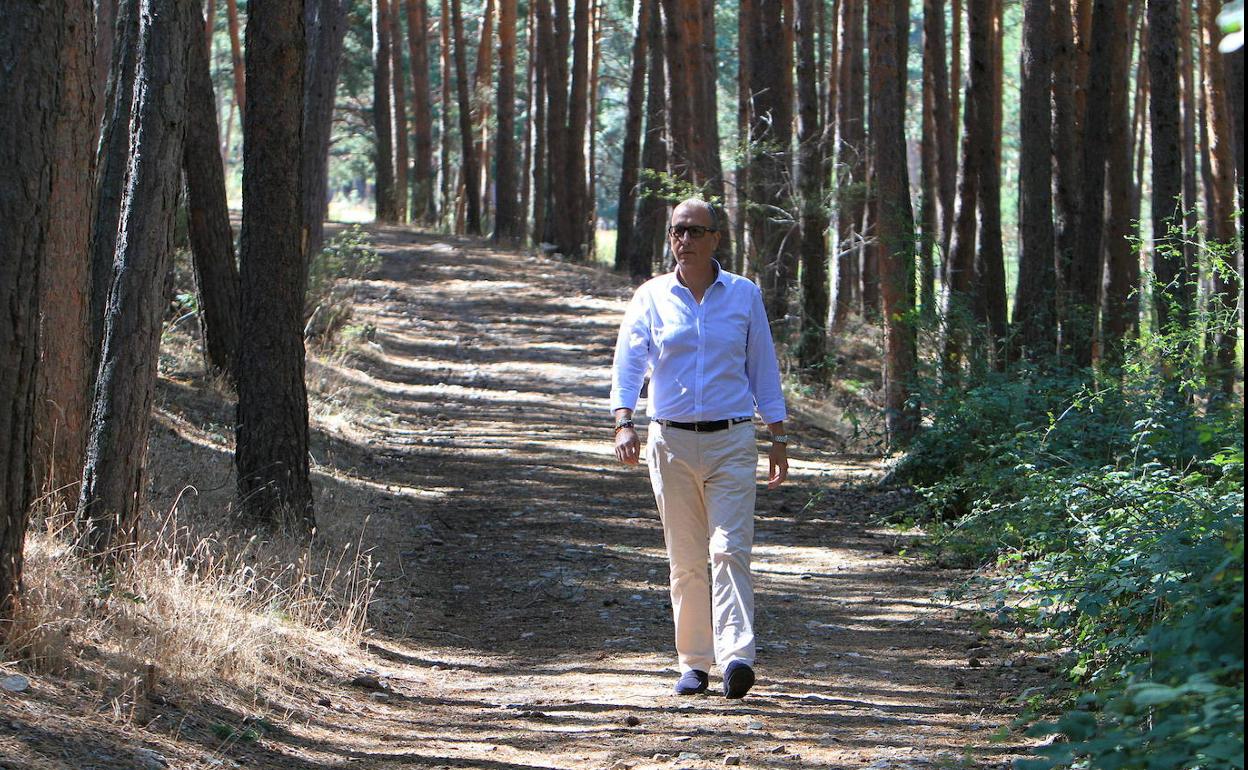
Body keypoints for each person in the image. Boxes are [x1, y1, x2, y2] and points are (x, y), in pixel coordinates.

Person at [609, 198, 788, 699]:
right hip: (671, 442)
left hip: (732, 439)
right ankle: (693, 664)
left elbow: (762, 369)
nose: (682, 241)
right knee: (686, 560)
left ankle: (736, 659)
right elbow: (628, 365)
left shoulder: (744, 295)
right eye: (676, 231)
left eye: (693, 231)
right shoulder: (651, 297)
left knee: (729, 549)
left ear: (716, 238)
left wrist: (778, 436)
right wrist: (623, 422)